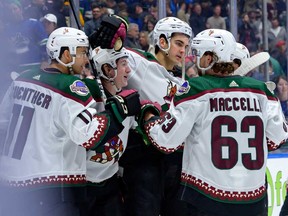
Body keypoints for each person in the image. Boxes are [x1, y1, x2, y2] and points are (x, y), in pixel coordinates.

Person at [143, 28, 288, 216]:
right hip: (254, 198)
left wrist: (149, 116)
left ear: (209, 58)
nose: (194, 59)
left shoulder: (196, 90)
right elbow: (278, 138)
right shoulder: (262, 91)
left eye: (198, 55)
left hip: (206, 198)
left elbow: (165, 140)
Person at [0, 27, 141, 216]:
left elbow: (4, 121)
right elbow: (90, 136)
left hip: (11, 180)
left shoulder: (23, 79)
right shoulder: (70, 88)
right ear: (66, 54)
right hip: (50, 185)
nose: (85, 60)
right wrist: (119, 109)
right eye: (82, 53)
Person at [117, 17, 194, 216]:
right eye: (178, 43)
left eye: (186, 45)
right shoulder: (142, 64)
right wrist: (112, 39)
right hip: (144, 159)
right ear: (162, 41)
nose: (183, 51)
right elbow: (113, 54)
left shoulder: (181, 81)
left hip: (175, 162)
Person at [79, 47, 148, 216]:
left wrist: (148, 111)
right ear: (107, 69)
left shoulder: (127, 98)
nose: (129, 69)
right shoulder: (86, 97)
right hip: (81, 187)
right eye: (123, 64)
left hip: (110, 185)